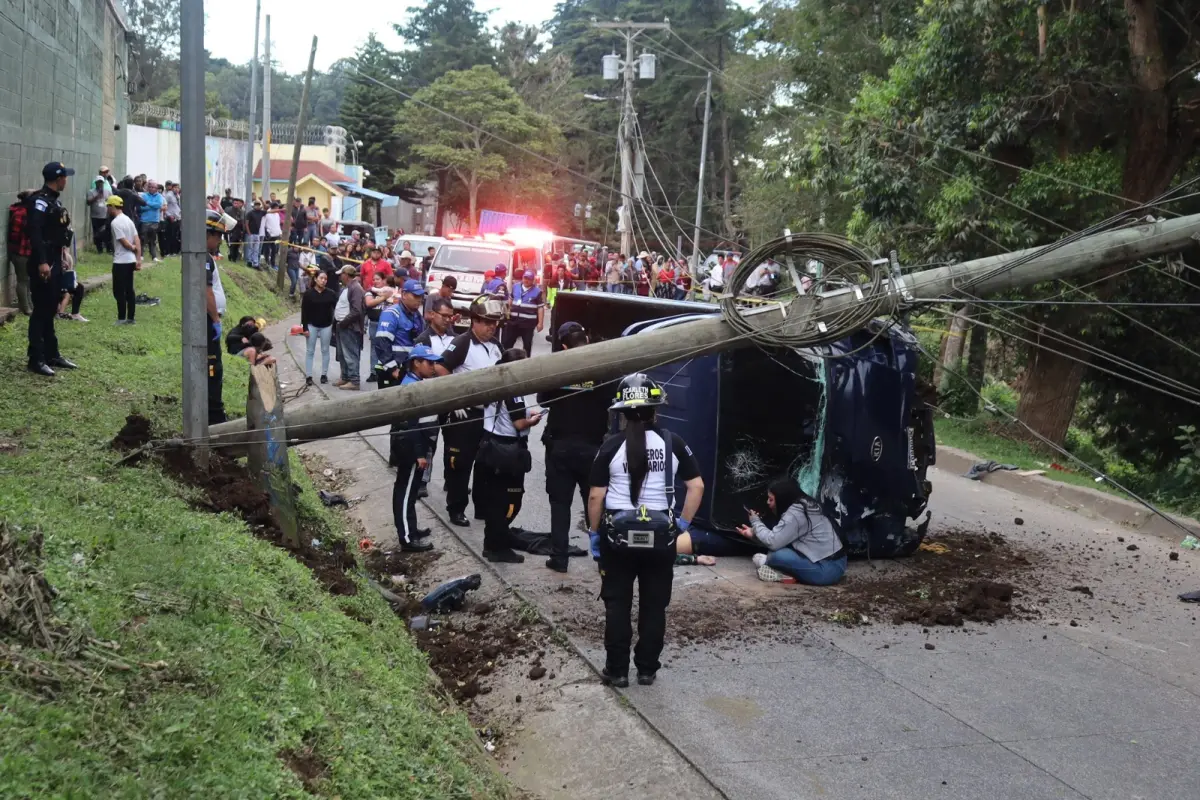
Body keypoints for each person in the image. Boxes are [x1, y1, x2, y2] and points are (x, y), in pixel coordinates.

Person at [586, 373, 704, 687]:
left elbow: (596, 495)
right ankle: (647, 668)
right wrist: (682, 525)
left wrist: (594, 534)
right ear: (656, 410)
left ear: (622, 413)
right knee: (654, 605)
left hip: (617, 540)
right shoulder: (673, 443)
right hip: (661, 539)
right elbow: (696, 486)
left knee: (617, 603)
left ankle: (618, 670)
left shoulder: (610, 446)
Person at [537, 322, 612, 573]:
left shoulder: (558, 369)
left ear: (564, 345)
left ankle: (560, 558)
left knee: (560, 505)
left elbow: (542, 398)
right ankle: (603, 558)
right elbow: (612, 396)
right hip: (591, 449)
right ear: (587, 341)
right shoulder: (601, 368)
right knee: (595, 504)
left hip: (561, 448)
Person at [438, 295, 505, 527]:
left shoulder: (496, 346)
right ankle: (456, 508)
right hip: (465, 416)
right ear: (474, 321)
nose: (491, 327)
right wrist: (455, 400)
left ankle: (481, 507)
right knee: (460, 464)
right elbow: (440, 367)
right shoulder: (462, 343)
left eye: (494, 323)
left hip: (488, 416)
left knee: (485, 464)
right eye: (486, 322)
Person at [476, 348, 543, 562]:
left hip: (490, 445)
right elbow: (518, 423)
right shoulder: (512, 390)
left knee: (495, 499)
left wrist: (525, 414)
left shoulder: (494, 383)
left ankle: (494, 542)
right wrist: (532, 420)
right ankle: (497, 546)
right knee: (508, 501)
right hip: (506, 451)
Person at [736, 475, 847, 585]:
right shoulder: (803, 504)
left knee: (776, 555)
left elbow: (773, 542)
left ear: (782, 499)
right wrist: (754, 534)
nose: (767, 503)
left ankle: (773, 567)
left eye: (771, 499)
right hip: (832, 563)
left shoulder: (796, 513)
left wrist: (755, 522)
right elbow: (780, 539)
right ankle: (786, 572)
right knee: (780, 551)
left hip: (827, 569)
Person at [24, 162, 79, 377]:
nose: (66, 180)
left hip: (54, 259)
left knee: (51, 309)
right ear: (59, 179)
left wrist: (61, 256)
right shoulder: (39, 201)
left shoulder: (51, 201)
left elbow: (55, 233)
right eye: (65, 177)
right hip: (43, 262)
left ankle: (52, 354)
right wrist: (42, 262)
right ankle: (36, 358)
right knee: (41, 311)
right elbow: (35, 234)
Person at [390, 344, 443, 553]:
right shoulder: (411, 387)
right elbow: (411, 425)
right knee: (405, 491)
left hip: (416, 446)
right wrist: (419, 454)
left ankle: (411, 529)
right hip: (411, 448)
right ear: (416, 363)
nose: (433, 367)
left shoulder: (418, 382)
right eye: (430, 363)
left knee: (411, 491)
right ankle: (406, 538)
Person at [414, 296, 457, 496]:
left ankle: (452, 480)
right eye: (444, 316)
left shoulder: (455, 339)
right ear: (432, 315)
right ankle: (422, 481)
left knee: (453, 444)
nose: (447, 320)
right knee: (428, 441)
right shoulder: (423, 339)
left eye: (450, 316)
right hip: (430, 398)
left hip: (449, 399)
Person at [204, 210, 229, 423]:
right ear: (207, 235)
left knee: (214, 368)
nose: (220, 240)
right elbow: (206, 292)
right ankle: (214, 415)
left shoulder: (206, 258)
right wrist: (215, 320)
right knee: (213, 369)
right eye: (217, 235)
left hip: (208, 320)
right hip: (207, 321)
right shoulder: (204, 259)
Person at [107, 196, 141, 324]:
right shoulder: (129, 220)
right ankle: (131, 318)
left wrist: (132, 248)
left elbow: (124, 242)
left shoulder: (115, 223)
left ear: (112, 206)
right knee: (129, 290)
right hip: (130, 261)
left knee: (118, 290)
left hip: (120, 261)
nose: (107, 209)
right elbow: (137, 239)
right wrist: (138, 259)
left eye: (108, 206)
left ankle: (121, 318)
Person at [300, 270, 337, 386]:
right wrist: (304, 328)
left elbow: (337, 309)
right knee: (310, 351)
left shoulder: (331, 293)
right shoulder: (308, 294)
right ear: (315, 279)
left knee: (325, 350)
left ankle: (324, 374)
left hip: (326, 325)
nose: (323, 281)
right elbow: (304, 312)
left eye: (325, 279)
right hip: (311, 325)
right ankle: (309, 375)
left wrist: (335, 325)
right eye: (321, 278)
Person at [333, 265, 365, 390]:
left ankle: (354, 380)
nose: (340, 276)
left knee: (350, 354)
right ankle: (345, 377)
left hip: (349, 326)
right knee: (342, 354)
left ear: (346, 274)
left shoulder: (355, 288)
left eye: (341, 274)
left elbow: (357, 310)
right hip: (342, 325)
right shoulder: (347, 287)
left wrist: (344, 322)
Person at [364, 271, 397, 381]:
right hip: (374, 323)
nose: (375, 281)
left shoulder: (390, 290)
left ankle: (387, 370)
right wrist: (384, 297)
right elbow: (369, 303)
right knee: (374, 347)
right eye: (374, 279)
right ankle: (373, 372)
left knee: (388, 347)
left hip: (388, 324)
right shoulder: (370, 293)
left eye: (378, 279)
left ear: (383, 280)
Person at [6, 189, 34, 315]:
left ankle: (29, 305)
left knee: (27, 279)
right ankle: (26, 308)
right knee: (23, 280)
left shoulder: (25, 211)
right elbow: (18, 236)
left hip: (24, 251)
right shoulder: (22, 213)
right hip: (20, 252)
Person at [504, 270, 544, 353]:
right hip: (513, 321)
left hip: (528, 324)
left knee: (527, 345)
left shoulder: (537, 292)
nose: (526, 280)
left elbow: (540, 308)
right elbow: (510, 300)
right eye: (525, 278)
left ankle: (525, 362)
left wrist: (540, 323)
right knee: (507, 344)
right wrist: (507, 311)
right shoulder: (516, 287)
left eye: (529, 279)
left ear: (533, 280)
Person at [138, 181, 165, 263]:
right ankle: (141, 255)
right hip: (144, 220)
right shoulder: (144, 195)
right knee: (142, 238)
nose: (152, 188)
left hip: (154, 220)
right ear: (148, 187)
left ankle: (154, 256)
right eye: (150, 187)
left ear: (156, 188)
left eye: (154, 187)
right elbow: (141, 208)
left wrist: (147, 203)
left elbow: (159, 205)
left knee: (152, 239)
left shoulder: (159, 196)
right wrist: (152, 206)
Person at [86, 176, 111, 253]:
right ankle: (99, 250)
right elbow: (88, 202)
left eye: (101, 182)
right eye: (98, 182)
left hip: (105, 216)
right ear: (96, 183)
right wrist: (96, 196)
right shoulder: (91, 192)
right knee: (97, 233)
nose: (100, 184)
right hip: (95, 216)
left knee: (107, 233)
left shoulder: (107, 192)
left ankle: (108, 249)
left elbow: (111, 201)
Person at [260, 201, 283, 269]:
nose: (278, 209)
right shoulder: (267, 214)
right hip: (268, 235)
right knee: (267, 250)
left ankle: (273, 264)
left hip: (276, 235)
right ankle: (267, 263)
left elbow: (277, 224)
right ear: (273, 208)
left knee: (274, 250)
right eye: (277, 208)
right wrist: (266, 233)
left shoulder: (277, 214)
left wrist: (280, 232)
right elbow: (263, 224)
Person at [162, 182, 182, 257]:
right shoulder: (169, 195)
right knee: (169, 235)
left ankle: (174, 251)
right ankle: (168, 252)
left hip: (177, 217)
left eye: (178, 188)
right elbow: (164, 206)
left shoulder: (177, 195)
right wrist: (169, 215)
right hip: (170, 218)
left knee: (176, 236)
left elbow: (177, 206)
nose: (177, 189)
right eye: (175, 188)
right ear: (172, 188)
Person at [244, 201, 265, 269]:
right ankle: (249, 261)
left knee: (256, 249)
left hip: (257, 233)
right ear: (254, 206)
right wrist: (249, 232)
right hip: (251, 233)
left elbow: (268, 209)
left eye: (258, 205)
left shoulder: (261, 212)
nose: (257, 206)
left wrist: (262, 200)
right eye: (256, 205)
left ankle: (255, 262)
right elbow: (246, 223)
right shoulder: (250, 213)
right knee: (250, 248)